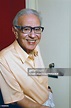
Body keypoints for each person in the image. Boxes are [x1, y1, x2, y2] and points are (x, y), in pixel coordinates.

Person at [0, 8, 49, 108]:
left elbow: (37, 73)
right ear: (15, 31)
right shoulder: (3, 59)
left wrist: (47, 89)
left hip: (48, 99)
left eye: (37, 29)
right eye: (26, 29)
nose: (33, 35)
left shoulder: (35, 46)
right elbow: (17, 99)